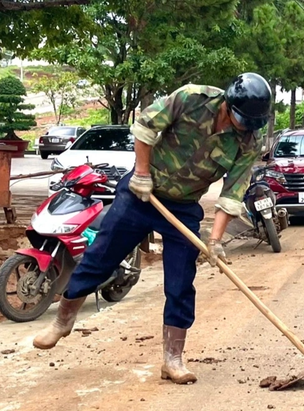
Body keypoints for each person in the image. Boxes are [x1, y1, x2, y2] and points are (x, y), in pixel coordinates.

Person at [32, 73, 272, 384]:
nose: (244, 127)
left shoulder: (248, 142)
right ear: (228, 103)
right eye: (242, 118)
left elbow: (233, 192)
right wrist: (142, 173)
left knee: (181, 282)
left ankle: (173, 359)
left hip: (183, 207)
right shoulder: (191, 99)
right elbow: (145, 127)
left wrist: (215, 242)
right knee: (99, 257)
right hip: (140, 193)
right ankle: (63, 320)